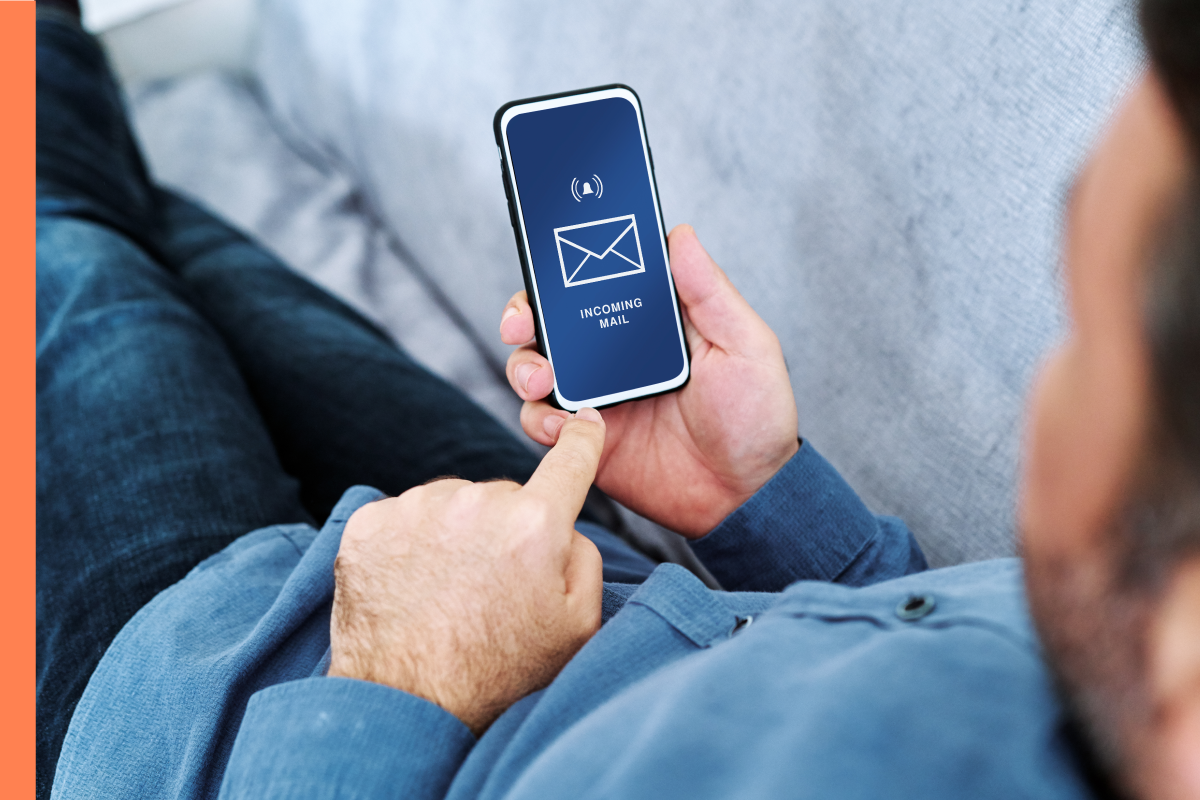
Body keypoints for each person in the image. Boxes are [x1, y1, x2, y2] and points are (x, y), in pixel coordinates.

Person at [35, 0, 1199, 799]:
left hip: (213, 708)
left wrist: (408, 675)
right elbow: (950, 635)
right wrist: (763, 501)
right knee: (182, 245)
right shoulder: (1145, 656)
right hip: (571, 562)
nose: (1041, 393)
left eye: (1085, 340)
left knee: (59, 236)